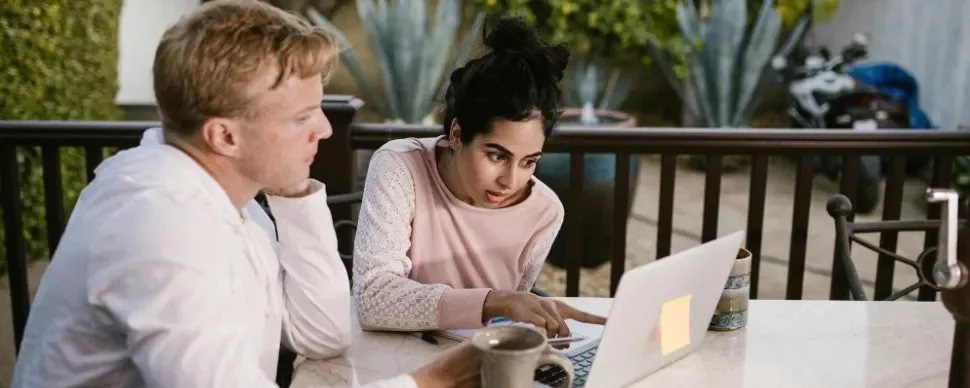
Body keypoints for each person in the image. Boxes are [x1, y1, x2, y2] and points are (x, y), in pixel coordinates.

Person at [10, 1, 477, 387]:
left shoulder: (228, 199)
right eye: (302, 118)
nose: (324, 129)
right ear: (225, 136)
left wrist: (293, 192)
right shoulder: (157, 225)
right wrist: (433, 381)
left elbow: (323, 335)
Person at [352, 16, 606, 338]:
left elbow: (505, 321)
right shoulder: (400, 168)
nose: (510, 181)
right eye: (497, 156)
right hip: (395, 354)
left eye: (529, 161)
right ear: (457, 134)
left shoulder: (545, 211)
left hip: (482, 358)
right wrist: (493, 301)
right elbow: (372, 298)